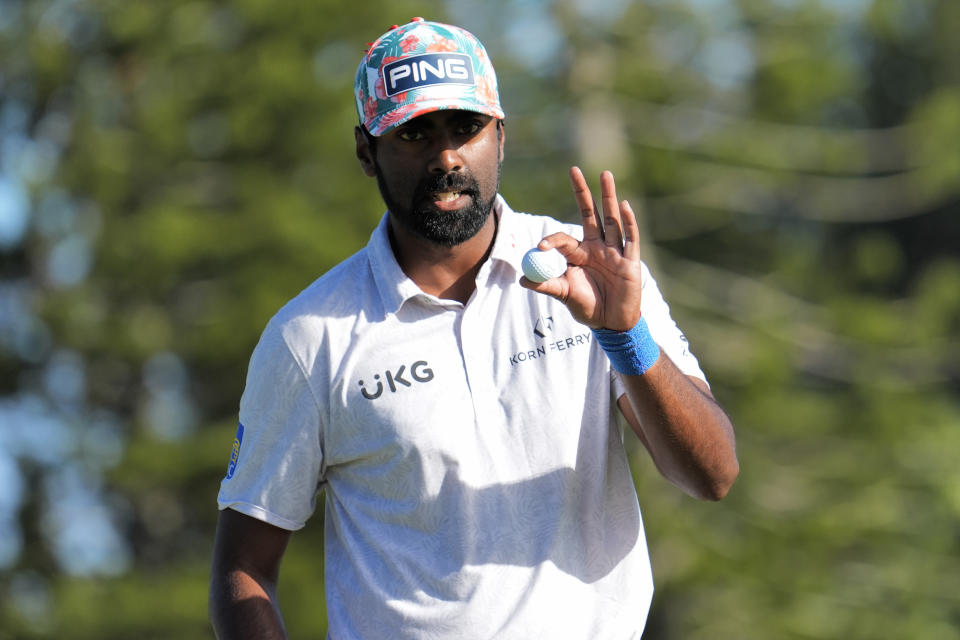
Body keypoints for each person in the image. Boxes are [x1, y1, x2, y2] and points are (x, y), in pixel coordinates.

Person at [210, 17, 738, 640]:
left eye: (466, 128)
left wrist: (624, 336)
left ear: (501, 136)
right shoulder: (309, 337)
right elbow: (243, 570)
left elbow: (712, 475)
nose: (447, 156)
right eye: (414, 132)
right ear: (365, 151)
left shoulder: (589, 272)